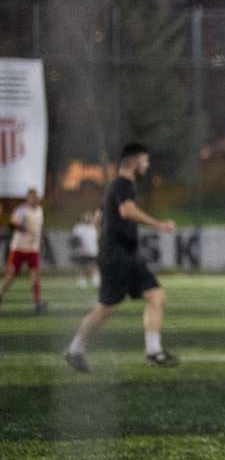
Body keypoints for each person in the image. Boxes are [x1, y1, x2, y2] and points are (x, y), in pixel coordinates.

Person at [64, 143, 179, 372]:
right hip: (118, 256)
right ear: (135, 162)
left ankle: (153, 352)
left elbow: (99, 217)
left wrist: (103, 242)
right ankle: (74, 350)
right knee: (105, 308)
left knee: (155, 295)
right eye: (145, 161)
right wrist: (159, 224)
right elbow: (127, 211)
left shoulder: (116, 186)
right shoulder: (123, 184)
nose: (147, 165)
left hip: (125, 254)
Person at [0, 187, 48, 312]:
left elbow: (39, 228)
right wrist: (23, 228)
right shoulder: (22, 210)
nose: (33, 199)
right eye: (31, 197)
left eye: (35, 197)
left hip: (33, 248)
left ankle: (37, 302)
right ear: (27, 198)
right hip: (19, 248)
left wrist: (40, 240)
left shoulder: (40, 210)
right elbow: (12, 223)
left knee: (35, 275)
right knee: (11, 275)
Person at [71, 208, 101, 289]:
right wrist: (77, 247)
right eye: (86, 216)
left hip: (93, 250)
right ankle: (82, 280)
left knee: (94, 265)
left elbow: (98, 237)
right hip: (82, 251)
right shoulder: (78, 227)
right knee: (83, 266)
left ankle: (95, 279)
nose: (88, 218)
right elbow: (74, 240)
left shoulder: (94, 227)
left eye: (89, 216)